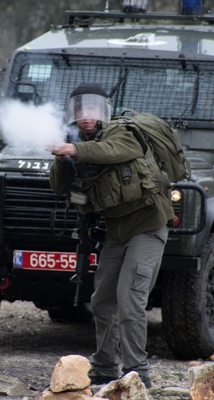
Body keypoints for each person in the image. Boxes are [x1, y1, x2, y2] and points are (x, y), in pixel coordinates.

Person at [48, 83, 174, 389]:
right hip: (116, 231)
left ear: (104, 111)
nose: (86, 116)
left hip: (147, 226)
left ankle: (136, 372)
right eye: (80, 110)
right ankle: (104, 366)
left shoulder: (122, 132)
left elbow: (113, 151)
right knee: (102, 301)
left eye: (92, 109)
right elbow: (58, 187)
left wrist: (74, 149)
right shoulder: (75, 142)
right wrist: (63, 159)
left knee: (130, 300)